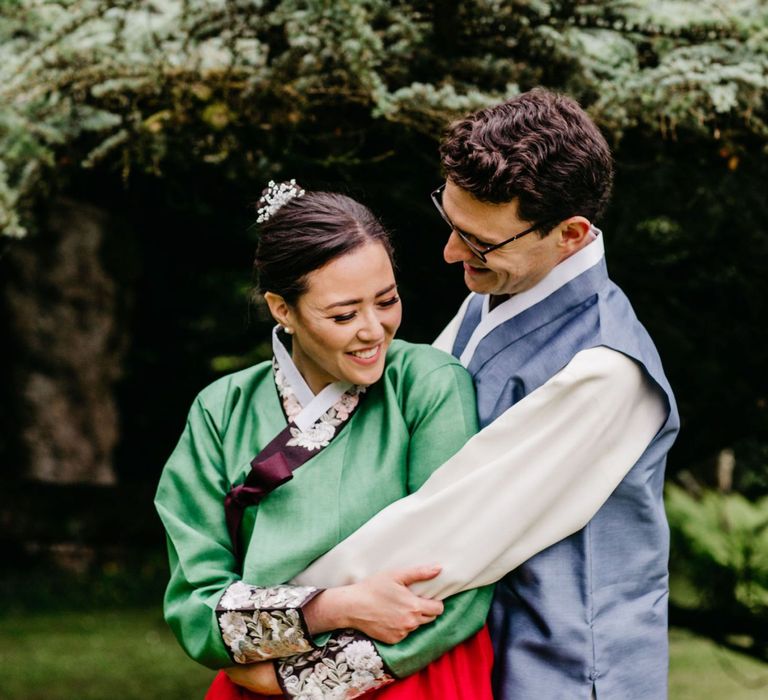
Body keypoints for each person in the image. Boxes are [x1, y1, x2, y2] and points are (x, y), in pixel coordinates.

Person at [285, 88, 679, 699]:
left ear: (571, 234)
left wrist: (280, 601)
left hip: (564, 671)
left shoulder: (607, 371)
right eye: (451, 222)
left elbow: (447, 532)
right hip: (476, 656)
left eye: (480, 242)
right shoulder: (491, 298)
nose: (450, 253)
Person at [154, 182, 495, 699]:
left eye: (387, 301)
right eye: (342, 315)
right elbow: (195, 602)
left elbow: (458, 570)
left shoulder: (428, 382)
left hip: (405, 673)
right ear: (282, 309)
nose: (373, 330)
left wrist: (305, 682)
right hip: (262, 681)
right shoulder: (220, 410)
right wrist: (333, 607)